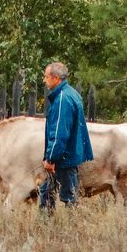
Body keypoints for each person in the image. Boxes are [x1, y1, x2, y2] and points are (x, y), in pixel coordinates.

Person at [40, 61, 93, 211]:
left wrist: (51, 159)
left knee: (69, 200)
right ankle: (46, 222)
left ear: (56, 78)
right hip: (68, 156)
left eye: (46, 76)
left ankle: (71, 224)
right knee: (47, 192)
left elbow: (59, 134)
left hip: (63, 159)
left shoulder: (62, 99)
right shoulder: (71, 93)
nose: (44, 80)